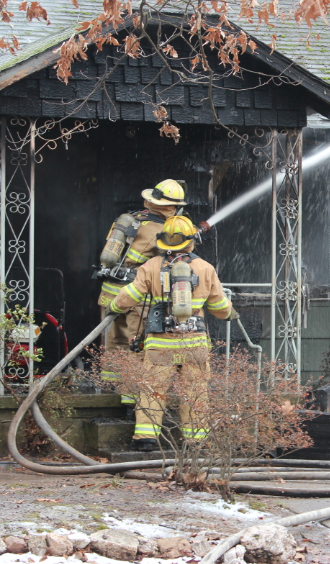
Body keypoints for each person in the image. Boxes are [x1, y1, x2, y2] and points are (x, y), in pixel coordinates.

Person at [108, 215, 238, 451]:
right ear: (190, 242)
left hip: (160, 344)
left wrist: (114, 306)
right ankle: (197, 442)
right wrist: (232, 314)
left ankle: (146, 440)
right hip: (194, 344)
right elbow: (219, 307)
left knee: (151, 390)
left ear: (163, 241)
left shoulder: (151, 266)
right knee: (195, 392)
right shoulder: (205, 268)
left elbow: (132, 295)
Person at [97, 179, 187, 406]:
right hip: (137, 295)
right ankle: (130, 398)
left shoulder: (131, 219)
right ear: (172, 207)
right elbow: (170, 261)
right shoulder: (165, 230)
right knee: (135, 345)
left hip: (110, 291)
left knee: (114, 341)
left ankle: (109, 388)